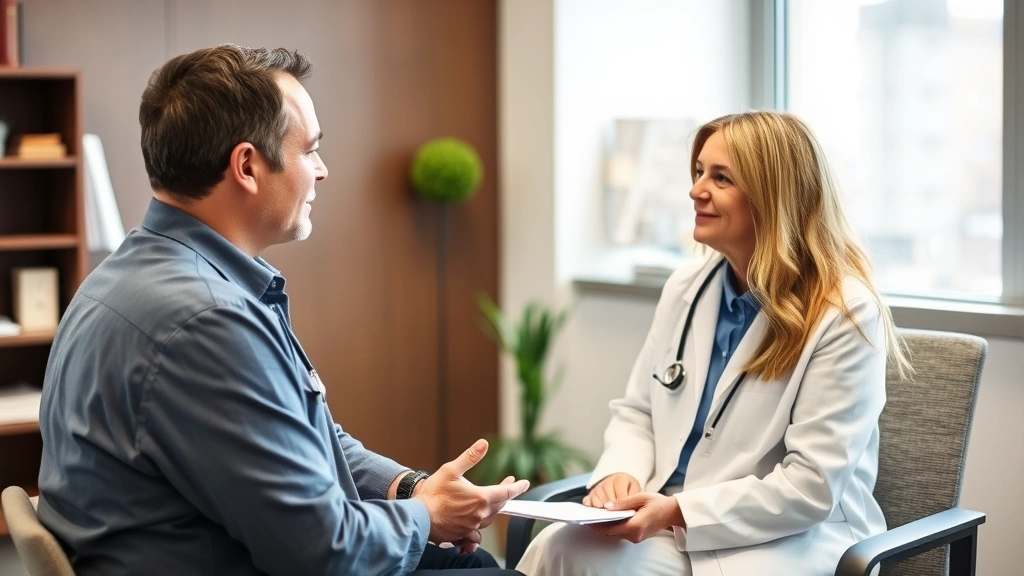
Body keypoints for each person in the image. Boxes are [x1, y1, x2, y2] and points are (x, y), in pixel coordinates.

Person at [36, 44, 529, 576]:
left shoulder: (125, 276)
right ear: (247, 165)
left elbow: (298, 435)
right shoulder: (207, 322)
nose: (321, 170)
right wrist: (424, 517)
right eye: (309, 150)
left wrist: (410, 489)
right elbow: (324, 552)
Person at [516, 110, 912, 576]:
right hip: (675, 518)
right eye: (699, 171)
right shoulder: (686, 288)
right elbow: (639, 412)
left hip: (791, 539)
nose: (696, 189)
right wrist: (619, 475)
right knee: (559, 547)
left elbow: (812, 486)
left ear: (773, 197)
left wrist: (678, 512)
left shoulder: (843, 314)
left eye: (721, 177)